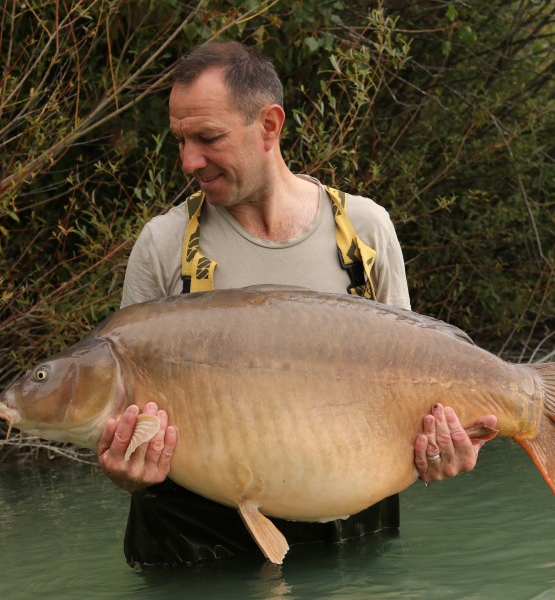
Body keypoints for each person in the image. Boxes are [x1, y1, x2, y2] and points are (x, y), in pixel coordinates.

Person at [96, 41, 497, 568]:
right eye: (180, 140)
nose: (189, 160)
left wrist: (442, 451)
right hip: (196, 549)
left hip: (351, 542)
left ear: (269, 126)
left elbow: (416, 390)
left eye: (208, 138)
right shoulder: (163, 245)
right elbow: (124, 429)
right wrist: (122, 470)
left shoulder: (365, 228)